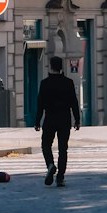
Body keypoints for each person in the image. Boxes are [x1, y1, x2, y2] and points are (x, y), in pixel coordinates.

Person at [34, 55, 81, 187]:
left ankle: (50, 164)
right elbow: (74, 103)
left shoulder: (45, 83)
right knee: (63, 149)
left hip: (50, 119)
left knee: (45, 145)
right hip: (65, 119)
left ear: (50, 67)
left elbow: (40, 104)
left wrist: (37, 121)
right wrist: (77, 120)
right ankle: (60, 177)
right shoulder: (68, 82)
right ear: (61, 67)